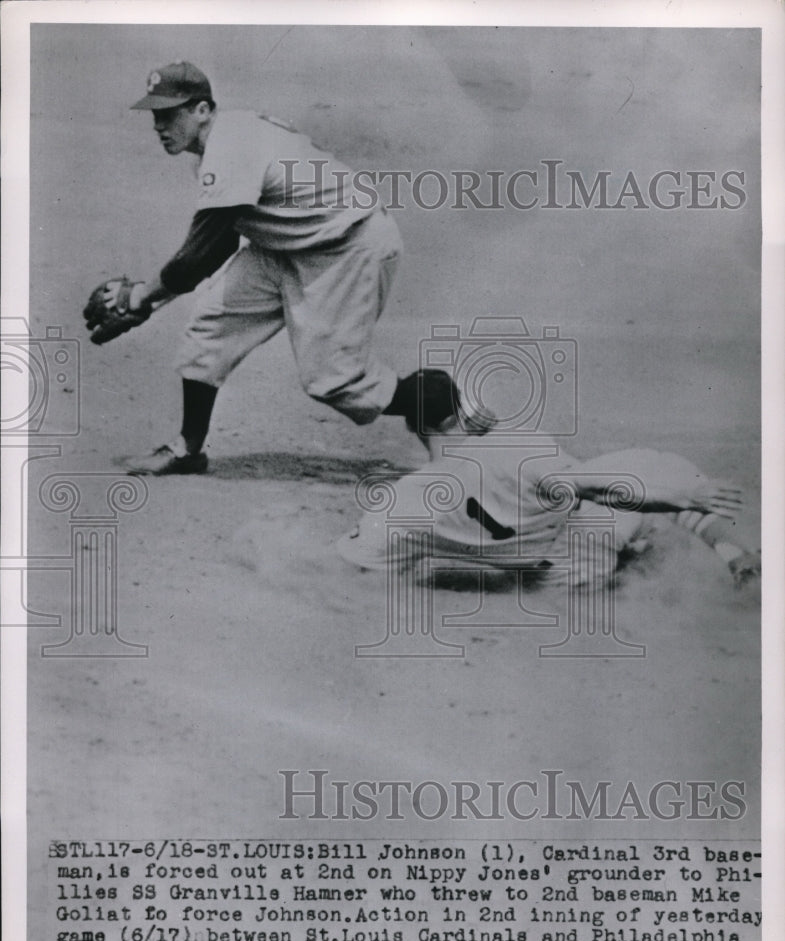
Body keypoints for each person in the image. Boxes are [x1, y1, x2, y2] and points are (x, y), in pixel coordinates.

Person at [105, 61, 430, 474]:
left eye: (169, 114)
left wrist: (138, 299)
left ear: (202, 109)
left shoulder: (229, 148)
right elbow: (218, 244)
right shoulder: (221, 143)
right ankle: (187, 449)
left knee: (335, 381)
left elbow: (202, 252)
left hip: (348, 247)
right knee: (210, 326)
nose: (159, 126)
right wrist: (147, 302)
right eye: (155, 115)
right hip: (287, 245)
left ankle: (444, 403)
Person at [336, 370, 761, 589]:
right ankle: (734, 556)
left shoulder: (398, 503)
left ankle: (633, 570)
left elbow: (365, 574)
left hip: (556, 580)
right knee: (651, 463)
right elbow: (599, 486)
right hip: (589, 535)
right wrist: (686, 496)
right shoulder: (517, 447)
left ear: (412, 426)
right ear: (465, 409)